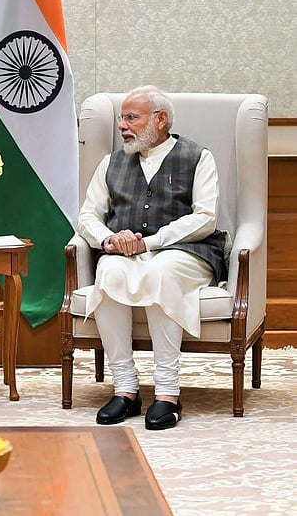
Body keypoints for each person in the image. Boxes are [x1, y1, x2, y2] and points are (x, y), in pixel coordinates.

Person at [77, 85, 227, 430]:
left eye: (132, 117)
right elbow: (88, 216)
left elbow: (205, 218)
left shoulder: (197, 157)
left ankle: (168, 393)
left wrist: (152, 242)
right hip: (126, 251)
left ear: (160, 120)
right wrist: (109, 239)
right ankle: (126, 389)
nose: (122, 126)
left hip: (187, 252)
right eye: (121, 118)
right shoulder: (111, 162)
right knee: (109, 271)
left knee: (162, 270)